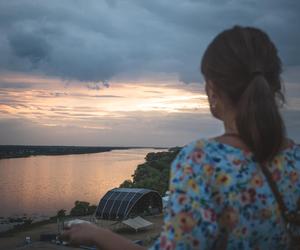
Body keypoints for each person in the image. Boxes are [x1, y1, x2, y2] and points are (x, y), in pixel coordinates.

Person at [61, 26, 300, 249]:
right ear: (275, 85)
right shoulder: (295, 159)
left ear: (212, 90)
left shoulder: (202, 162)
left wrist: (96, 234)